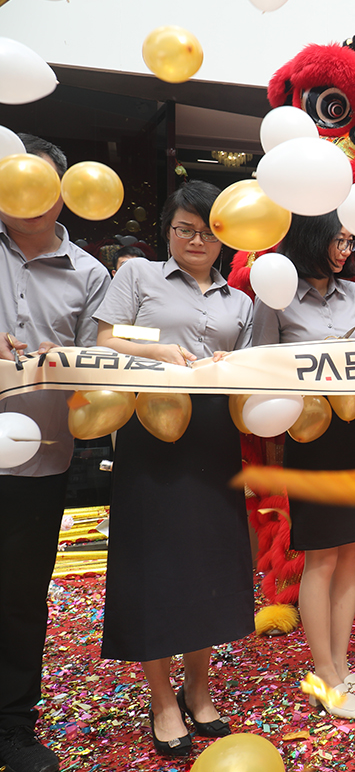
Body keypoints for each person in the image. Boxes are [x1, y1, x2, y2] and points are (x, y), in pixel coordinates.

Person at [94, 182, 254, 757]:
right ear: (168, 230)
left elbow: (250, 367)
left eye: (209, 231)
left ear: (225, 238)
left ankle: (198, 689)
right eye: (185, 229)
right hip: (151, 430)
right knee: (157, 565)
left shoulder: (240, 301)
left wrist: (233, 365)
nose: (196, 240)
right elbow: (106, 339)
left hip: (214, 436)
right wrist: (158, 351)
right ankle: (162, 699)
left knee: (206, 563)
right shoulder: (138, 276)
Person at [0, 134, 110, 772]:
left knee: (20, 595)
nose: (26, 197)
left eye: (39, 184)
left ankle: (13, 725)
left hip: (38, 458)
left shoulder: (91, 274)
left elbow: (99, 366)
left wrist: (63, 361)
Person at [252, 213, 355, 718]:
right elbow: (259, 363)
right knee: (321, 557)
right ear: (313, 238)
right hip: (309, 434)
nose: (346, 249)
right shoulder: (277, 295)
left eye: (350, 241)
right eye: (339, 239)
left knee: (351, 552)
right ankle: (322, 673)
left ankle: (341, 667)